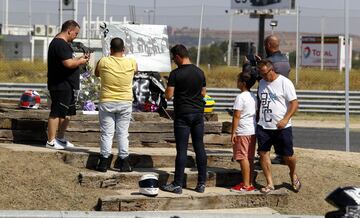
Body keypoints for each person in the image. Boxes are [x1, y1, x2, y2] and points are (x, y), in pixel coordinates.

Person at [161, 44, 207, 194]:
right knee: (199, 147)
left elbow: (169, 95)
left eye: (174, 58)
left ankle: (178, 184)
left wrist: (165, 89)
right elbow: (203, 93)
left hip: (182, 115)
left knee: (181, 150)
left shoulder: (175, 74)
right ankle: (201, 184)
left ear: (179, 57)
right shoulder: (200, 72)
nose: (174, 61)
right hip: (198, 114)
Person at [256, 59, 301, 194]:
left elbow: (294, 104)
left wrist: (285, 119)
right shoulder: (262, 83)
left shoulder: (284, 83)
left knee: (288, 156)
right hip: (264, 126)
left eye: (265, 73)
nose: (263, 77)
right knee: (263, 153)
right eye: (261, 74)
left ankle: (293, 174)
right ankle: (270, 183)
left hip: (282, 127)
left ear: (272, 70)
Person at [94, 37, 137, 173]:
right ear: (123, 50)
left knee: (107, 133)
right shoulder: (131, 62)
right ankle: (124, 162)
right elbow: (136, 71)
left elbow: (96, 73)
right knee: (123, 133)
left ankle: (104, 162)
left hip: (107, 101)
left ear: (110, 49)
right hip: (125, 102)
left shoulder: (103, 61)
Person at [46, 20, 90, 150]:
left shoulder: (65, 44)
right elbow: (68, 64)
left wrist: (80, 59)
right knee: (56, 112)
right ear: (69, 31)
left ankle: (60, 138)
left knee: (67, 113)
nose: (76, 36)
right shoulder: (59, 43)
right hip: (59, 84)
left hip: (68, 84)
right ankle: (51, 140)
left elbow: (69, 60)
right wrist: (80, 61)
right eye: (75, 33)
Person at [264, 35, 291, 164]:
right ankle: (283, 155)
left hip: (270, 97)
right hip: (283, 99)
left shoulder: (269, 61)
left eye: (265, 45)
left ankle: (267, 154)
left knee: (268, 128)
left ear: (268, 45)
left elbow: (263, 77)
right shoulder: (285, 60)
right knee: (283, 127)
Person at [230, 71, 257, 192]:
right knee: (249, 157)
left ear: (243, 83)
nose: (237, 82)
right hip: (252, 130)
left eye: (238, 80)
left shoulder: (240, 97)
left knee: (242, 157)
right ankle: (249, 182)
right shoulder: (253, 96)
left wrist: (233, 132)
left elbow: (236, 116)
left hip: (242, 130)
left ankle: (246, 185)